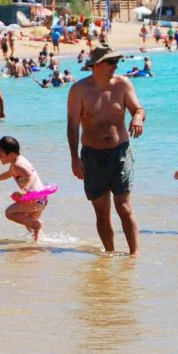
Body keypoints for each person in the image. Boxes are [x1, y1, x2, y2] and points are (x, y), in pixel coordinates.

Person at [67, 44, 146, 256]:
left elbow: (138, 108)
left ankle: (134, 256)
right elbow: (72, 126)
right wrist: (75, 158)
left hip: (120, 151)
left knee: (124, 207)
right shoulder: (79, 90)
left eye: (116, 61)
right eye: (111, 61)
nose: (115, 65)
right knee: (102, 212)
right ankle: (109, 254)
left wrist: (137, 117)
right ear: (97, 65)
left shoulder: (123, 84)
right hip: (92, 156)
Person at [0, 135, 48, 242]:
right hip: (42, 198)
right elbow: (10, 173)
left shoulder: (18, 165)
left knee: (9, 212)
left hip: (35, 198)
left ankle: (37, 227)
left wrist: (24, 190)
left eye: (0, 155)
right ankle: (39, 244)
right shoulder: (17, 161)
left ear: (11, 154)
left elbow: (31, 176)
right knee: (29, 222)